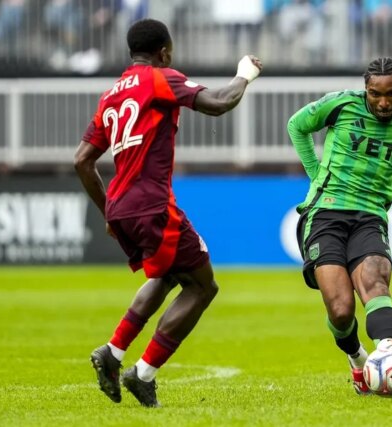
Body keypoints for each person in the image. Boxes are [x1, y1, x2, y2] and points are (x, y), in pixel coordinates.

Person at [74, 18, 262, 407]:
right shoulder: (159, 78)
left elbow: (82, 160)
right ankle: (143, 374)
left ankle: (113, 352)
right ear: (163, 53)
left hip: (121, 206)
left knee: (168, 274)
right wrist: (244, 74)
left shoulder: (111, 95)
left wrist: (109, 212)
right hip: (152, 204)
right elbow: (219, 103)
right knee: (203, 286)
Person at [287, 57, 392, 395]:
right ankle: (358, 359)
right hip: (325, 213)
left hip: (371, 216)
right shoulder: (340, 105)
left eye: (391, 94)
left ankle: (389, 348)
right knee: (341, 309)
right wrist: (315, 172)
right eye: (375, 94)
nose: (383, 102)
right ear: (365, 89)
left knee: (375, 280)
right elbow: (297, 125)